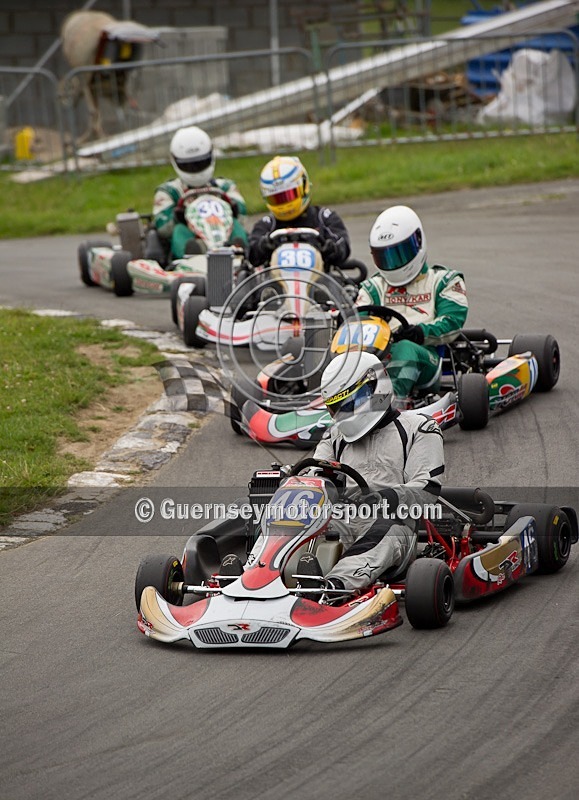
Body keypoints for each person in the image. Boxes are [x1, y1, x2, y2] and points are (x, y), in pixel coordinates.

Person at [307, 349, 445, 597]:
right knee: (301, 525)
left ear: (376, 388)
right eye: (337, 407)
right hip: (344, 521)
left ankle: (333, 587)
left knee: (382, 531)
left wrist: (386, 498)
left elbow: (427, 488)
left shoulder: (419, 428)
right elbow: (315, 475)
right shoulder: (335, 437)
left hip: (395, 524)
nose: (344, 414)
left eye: (350, 404)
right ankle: (263, 576)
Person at [356, 205, 468, 399]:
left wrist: (419, 333)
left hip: (426, 357)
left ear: (418, 242)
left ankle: (388, 404)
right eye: (385, 256)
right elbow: (355, 328)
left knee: (405, 348)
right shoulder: (372, 288)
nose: (392, 263)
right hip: (377, 358)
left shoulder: (443, 280)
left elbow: (452, 322)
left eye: (399, 254)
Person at [150, 125, 248, 262]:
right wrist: (178, 216)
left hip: (223, 232)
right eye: (189, 165)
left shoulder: (224, 186)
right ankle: (194, 257)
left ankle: (239, 254)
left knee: (236, 224)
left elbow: (242, 216)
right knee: (179, 230)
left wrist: (233, 207)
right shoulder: (169, 191)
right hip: (192, 238)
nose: (195, 169)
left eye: (200, 163)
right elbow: (163, 228)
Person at [248, 155, 351, 269]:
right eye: (277, 199)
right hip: (276, 283)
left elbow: (343, 246)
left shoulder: (324, 218)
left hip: (319, 282)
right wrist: (262, 247)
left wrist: (332, 249)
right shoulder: (266, 225)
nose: (284, 204)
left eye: (288, 196)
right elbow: (252, 254)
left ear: (304, 186)